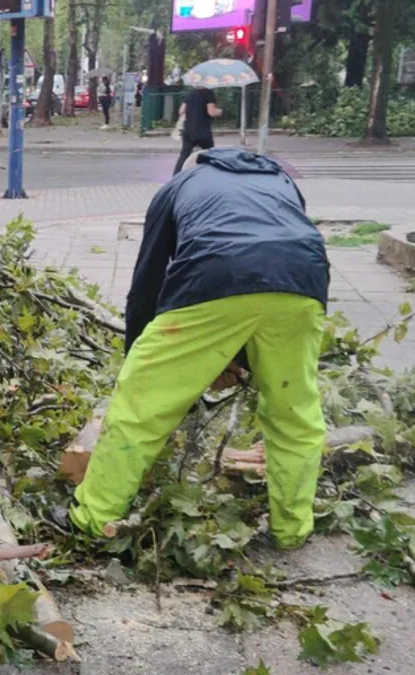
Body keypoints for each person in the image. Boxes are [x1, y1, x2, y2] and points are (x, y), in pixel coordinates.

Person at [69, 148, 331, 551]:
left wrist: (140, 359)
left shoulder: (178, 185)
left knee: (140, 409)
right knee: (294, 411)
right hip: (305, 282)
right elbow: (270, 261)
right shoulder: (279, 180)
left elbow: (148, 281)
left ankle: (94, 517)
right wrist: (242, 359)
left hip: (215, 271)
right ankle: (292, 529)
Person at [173, 86, 222, 174]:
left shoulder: (190, 94)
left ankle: (176, 176)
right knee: (210, 153)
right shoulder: (208, 93)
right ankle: (213, 174)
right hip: (203, 130)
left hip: (188, 130)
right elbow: (211, 112)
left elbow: (181, 111)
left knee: (184, 155)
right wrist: (219, 111)